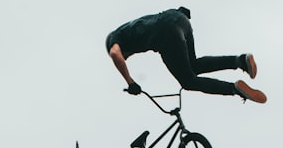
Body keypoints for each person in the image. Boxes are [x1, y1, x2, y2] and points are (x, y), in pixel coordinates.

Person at [106, 6, 267, 104]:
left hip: (166, 32)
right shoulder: (131, 29)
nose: (127, 57)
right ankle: (241, 61)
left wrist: (131, 83)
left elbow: (114, 54)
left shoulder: (116, 38)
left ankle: (235, 89)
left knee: (188, 81)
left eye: (126, 56)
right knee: (193, 65)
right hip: (180, 20)